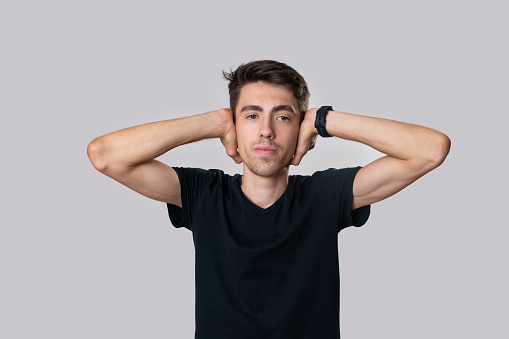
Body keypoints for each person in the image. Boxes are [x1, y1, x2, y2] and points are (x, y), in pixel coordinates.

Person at [87, 60, 450, 338]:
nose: (266, 129)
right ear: (235, 124)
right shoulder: (203, 194)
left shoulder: (325, 196)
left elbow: (431, 150)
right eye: (251, 115)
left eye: (283, 116)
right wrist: (213, 122)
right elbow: (105, 155)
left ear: (299, 131)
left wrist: (322, 120)